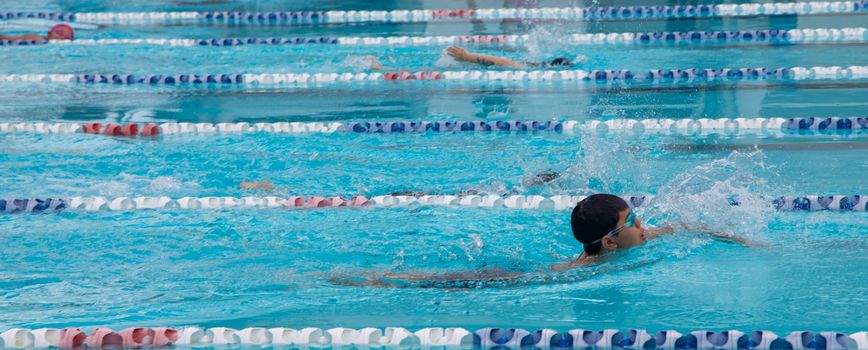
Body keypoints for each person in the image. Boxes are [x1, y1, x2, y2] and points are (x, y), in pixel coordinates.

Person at [330, 193, 755, 289]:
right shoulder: (572, 274)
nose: (645, 226)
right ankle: (376, 278)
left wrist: (737, 239)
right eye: (635, 221)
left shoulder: (635, 241)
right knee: (448, 280)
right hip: (519, 275)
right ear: (610, 242)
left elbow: (685, 228)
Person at [369, 45, 576, 70]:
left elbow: (503, 62)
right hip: (474, 65)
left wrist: (469, 57)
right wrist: (469, 57)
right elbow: (503, 62)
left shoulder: (532, 67)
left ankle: (386, 69)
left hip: (474, 65)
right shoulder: (533, 66)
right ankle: (386, 69)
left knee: (433, 71)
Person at [0, 23, 74, 41]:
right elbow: (9, 38)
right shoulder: (34, 37)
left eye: (67, 37)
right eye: (60, 33)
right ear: (49, 33)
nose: (62, 37)